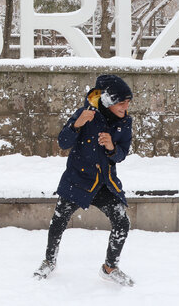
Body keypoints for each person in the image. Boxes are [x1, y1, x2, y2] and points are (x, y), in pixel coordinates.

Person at [34, 74, 135, 286]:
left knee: (122, 222)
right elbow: (63, 142)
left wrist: (111, 148)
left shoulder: (125, 123)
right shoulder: (85, 114)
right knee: (59, 221)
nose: (125, 107)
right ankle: (49, 261)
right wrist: (76, 125)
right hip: (77, 180)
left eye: (128, 103)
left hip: (104, 183)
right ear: (108, 101)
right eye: (121, 102)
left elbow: (122, 153)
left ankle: (109, 268)